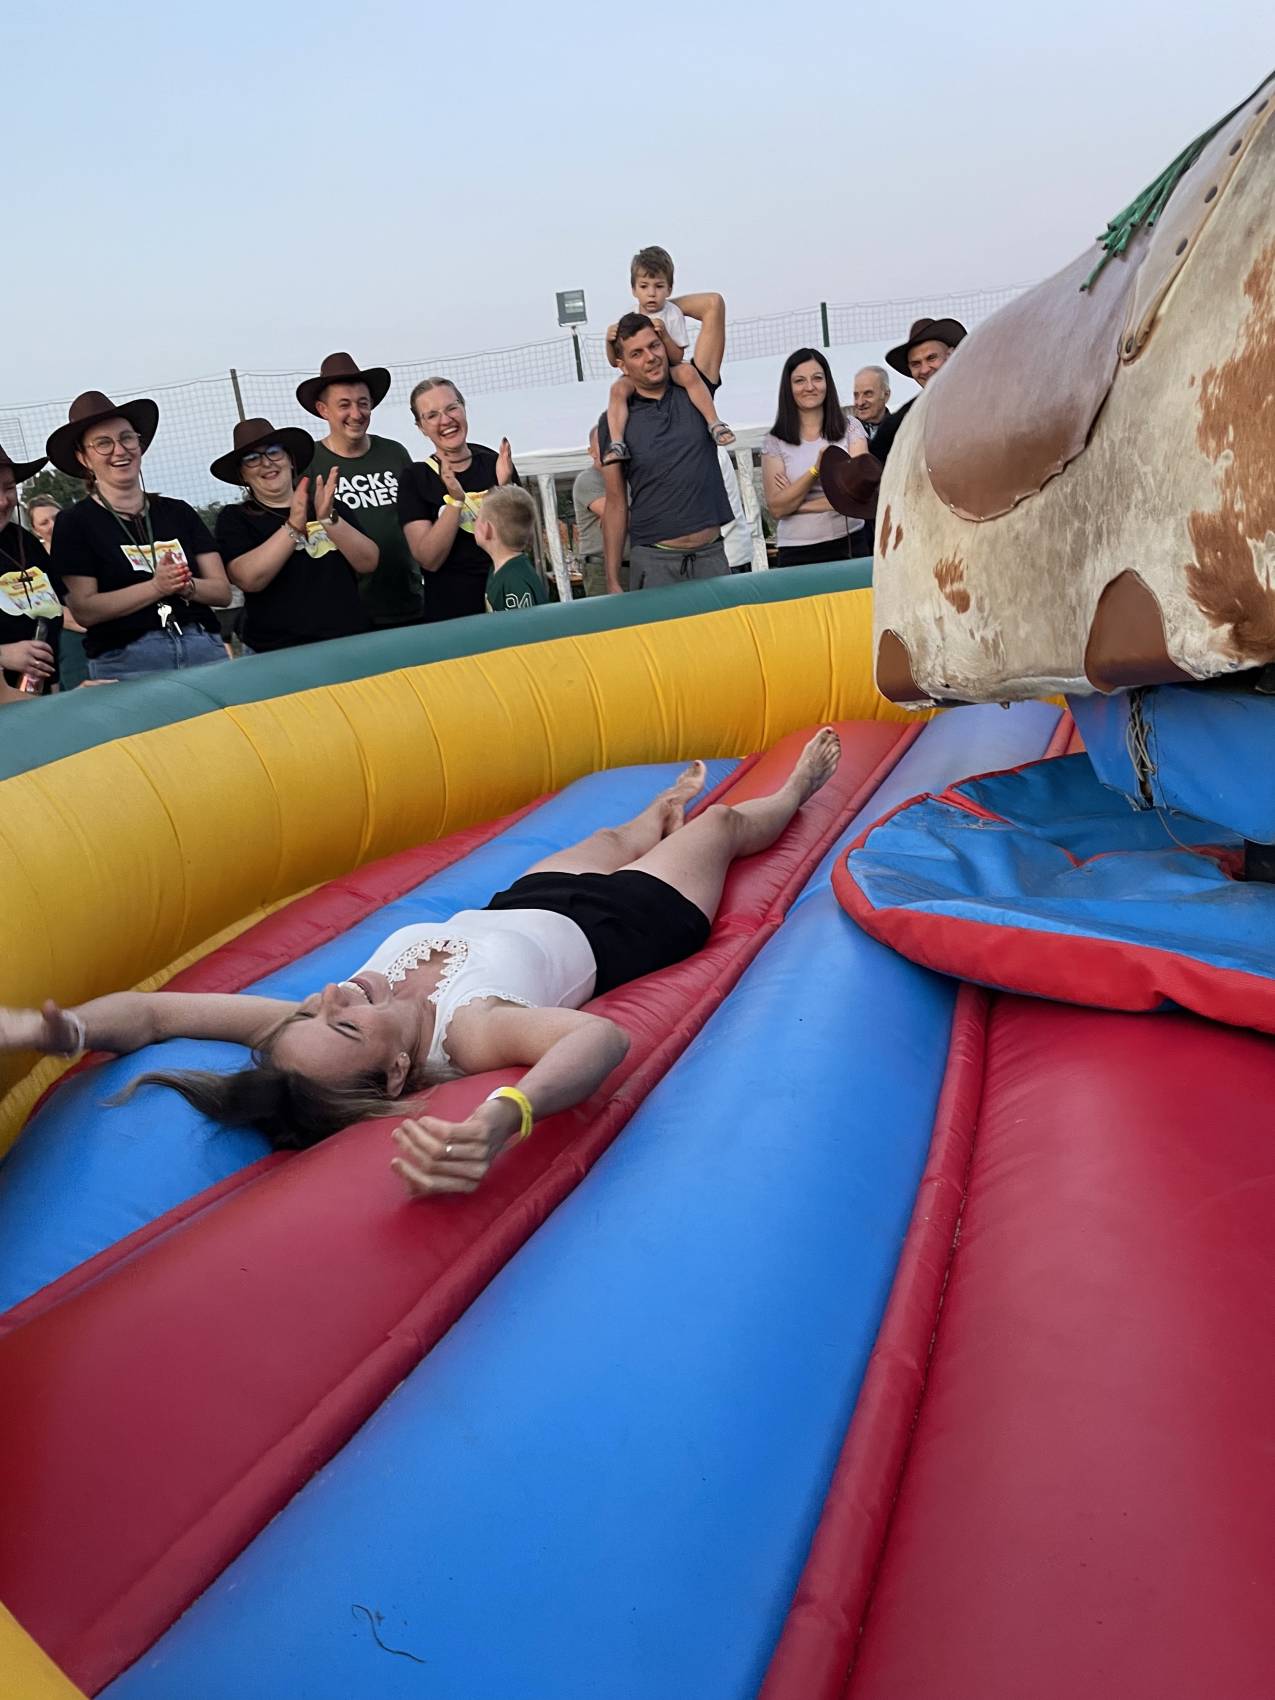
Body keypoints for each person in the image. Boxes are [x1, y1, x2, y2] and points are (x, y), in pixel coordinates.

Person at [0, 730, 842, 1194]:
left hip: (520, 904)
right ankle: (790, 792)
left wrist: (52, 1031)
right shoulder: (469, 1033)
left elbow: (155, 1013)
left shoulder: (314, 1026)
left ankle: (653, 815)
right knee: (720, 828)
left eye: (311, 1010)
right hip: (629, 923)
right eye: (344, 1023)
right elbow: (598, 1041)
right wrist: (506, 1115)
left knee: (613, 835)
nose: (330, 996)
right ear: (401, 1068)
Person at [45, 392, 231, 681]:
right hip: (127, 661)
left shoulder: (178, 512)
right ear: (84, 458)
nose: (119, 450)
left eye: (127, 438)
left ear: (139, 445)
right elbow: (85, 610)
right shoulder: (75, 523)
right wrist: (156, 587)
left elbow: (221, 591)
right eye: (103, 443)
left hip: (202, 648)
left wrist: (186, 585)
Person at [598, 300, 734, 593]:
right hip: (654, 563)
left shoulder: (696, 389)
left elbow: (713, 304)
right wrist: (612, 578)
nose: (650, 357)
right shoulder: (614, 421)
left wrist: (657, 306)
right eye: (637, 353)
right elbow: (615, 502)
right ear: (622, 365)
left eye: (654, 346)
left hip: (711, 557)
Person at [211, 418, 378, 653]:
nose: (266, 463)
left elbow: (368, 562)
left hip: (348, 640)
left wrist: (328, 520)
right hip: (278, 651)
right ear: (243, 475)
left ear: (290, 460)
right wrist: (293, 526)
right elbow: (248, 579)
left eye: (273, 452)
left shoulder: (329, 506)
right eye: (252, 458)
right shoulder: (236, 518)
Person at [297, 352, 422, 629]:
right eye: (344, 405)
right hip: (347, 614)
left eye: (363, 403)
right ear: (323, 410)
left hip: (410, 602)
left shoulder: (394, 453)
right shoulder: (310, 465)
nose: (356, 414)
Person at [397, 378, 518, 622]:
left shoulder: (493, 462)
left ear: (463, 408)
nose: (445, 420)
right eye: (432, 415)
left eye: (452, 408)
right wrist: (455, 502)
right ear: (421, 427)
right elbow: (429, 559)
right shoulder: (416, 477)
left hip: (507, 604)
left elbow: (520, 541)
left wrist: (504, 488)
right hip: (452, 616)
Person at [603, 247, 734, 466]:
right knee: (618, 388)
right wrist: (610, 341)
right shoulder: (625, 399)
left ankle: (715, 423)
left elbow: (713, 303)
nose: (651, 293)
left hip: (676, 370)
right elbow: (615, 360)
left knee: (687, 372)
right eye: (644, 287)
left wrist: (664, 307)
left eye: (659, 286)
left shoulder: (693, 383)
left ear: (669, 288)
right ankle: (617, 444)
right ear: (633, 289)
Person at [760, 350, 868, 568]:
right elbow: (777, 508)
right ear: (788, 388)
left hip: (849, 544)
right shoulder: (774, 441)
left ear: (827, 382)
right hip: (796, 553)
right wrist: (816, 470)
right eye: (800, 381)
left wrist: (796, 504)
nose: (809, 387)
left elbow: (857, 498)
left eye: (817, 378)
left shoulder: (851, 428)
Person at [0, 443, 60, 702]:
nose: (3, 501)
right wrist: (4, 654)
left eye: (8, 487)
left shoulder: (24, 541)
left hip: (38, 700)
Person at [868, 317, 967, 467]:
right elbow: (874, 465)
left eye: (931, 358)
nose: (925, 370)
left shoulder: (981, 401)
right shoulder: (899, 422)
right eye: (916, 364)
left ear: (951, 355)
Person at [572, 429, 628, 595]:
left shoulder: (628, 477)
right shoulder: (587, 480)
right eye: (603, 441)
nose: (609, 446)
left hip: (632, 565)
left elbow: (617, 516)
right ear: (591, 452)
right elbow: (618, 516)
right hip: (600, 569)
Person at [475, 486, 547, 612]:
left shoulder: (515, 580)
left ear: (487, 529)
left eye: (476, 518)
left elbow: (526, 623)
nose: (474, 522)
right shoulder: (502, 570)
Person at [849, 367, 892, 556]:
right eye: (856, 395)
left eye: (868, 394)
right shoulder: (844, 434)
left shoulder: (902, 429)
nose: (860, 402)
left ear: (886, 395)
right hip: (860, 534)